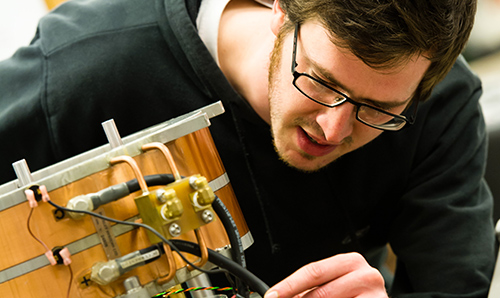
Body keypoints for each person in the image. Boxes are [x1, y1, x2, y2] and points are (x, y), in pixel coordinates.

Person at [0, 0, 495, 297]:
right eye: (321, 82)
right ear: (279, 9)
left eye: (377, 108)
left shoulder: (440, 103)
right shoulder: (80, 73)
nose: (334, 128)